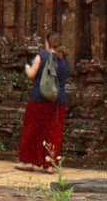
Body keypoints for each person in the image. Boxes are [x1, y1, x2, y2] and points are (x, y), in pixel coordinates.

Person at [17, 32, 70, 172]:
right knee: (54, 131)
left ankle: (29, 161)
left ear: (48, 43)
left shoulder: (42, 55)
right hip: (59, 100)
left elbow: (32, 74)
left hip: (40, 98)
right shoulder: (64, 60)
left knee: (33, 129)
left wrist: (27, 68)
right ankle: (50, 164)